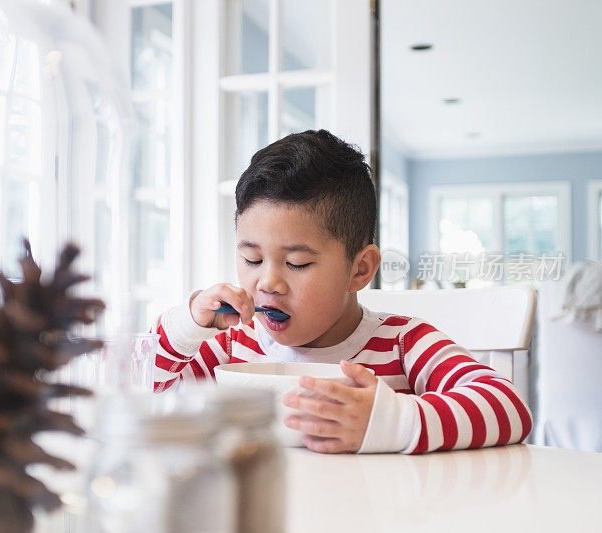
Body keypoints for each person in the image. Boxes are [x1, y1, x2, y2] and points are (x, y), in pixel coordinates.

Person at [150, 130, 532, 454]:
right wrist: (188, 327)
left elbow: (510, 408)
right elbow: (153, 399)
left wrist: (390, 421)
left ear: (360, 269)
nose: (267, 283)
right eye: (251, 259)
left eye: (297, 263)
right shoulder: (231, 347)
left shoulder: (403, 344)